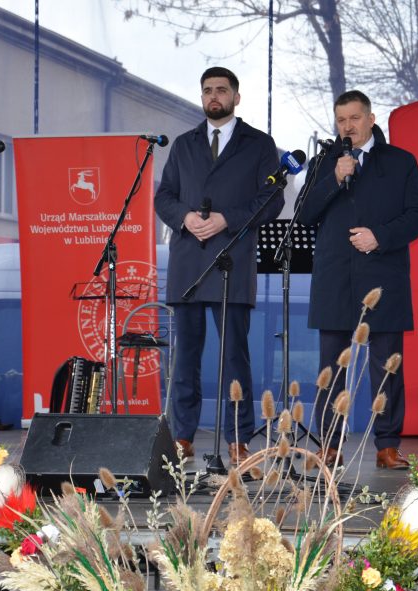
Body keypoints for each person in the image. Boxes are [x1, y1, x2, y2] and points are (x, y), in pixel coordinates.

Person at [154, 67, 284, 465]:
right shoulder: (183, 144)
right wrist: (184, 218)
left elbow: (272, 198)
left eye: (222, 90)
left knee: (234, 358)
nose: (214, 96)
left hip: (231, 260)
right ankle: (182, 438)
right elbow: (165, 197)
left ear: (236, 98)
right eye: (208, 90)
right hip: (189, 262)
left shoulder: (260, 144)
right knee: (185, 359)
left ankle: (237, 439)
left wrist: (228, 218)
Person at [299, 90, 418, 469]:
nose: (347, 126)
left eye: (355, 118)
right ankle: (330, 444)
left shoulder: (401, 162)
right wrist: (333, 180)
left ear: (371, 119)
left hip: (383, 277)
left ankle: (387, 445)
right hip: (334, 278)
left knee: (387, 366)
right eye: (341, 120)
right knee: (332, 367)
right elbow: (304, 213)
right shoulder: (326, 161)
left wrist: (380, 236)